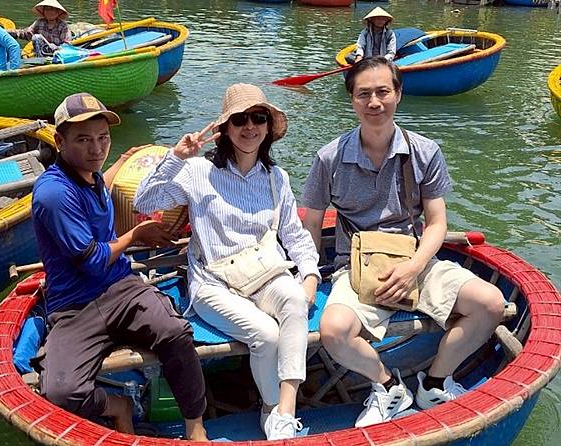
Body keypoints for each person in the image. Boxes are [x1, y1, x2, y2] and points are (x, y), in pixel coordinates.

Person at [301, 57, 505, 427]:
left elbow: (437, 223)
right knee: (333, 331)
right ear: (352, 100)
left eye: (383, 91)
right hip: (355, 267)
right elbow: (312, 224)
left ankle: (435, 382)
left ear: (398, 94)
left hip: (415, 259)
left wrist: (413, 268)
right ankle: (389, 386)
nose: (374, 102)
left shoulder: (425, 151)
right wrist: (310, 277)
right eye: (364, 94)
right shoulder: (329, 157)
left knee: (491, 303)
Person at [133, 83, 321, 440]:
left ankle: (284, 412)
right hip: (213, 281)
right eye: (239, 119)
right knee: (266, 335)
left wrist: (310, 274)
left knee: (296, 300)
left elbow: (295, 236)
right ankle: (270, 408)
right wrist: (176, 157)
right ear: (225, 128)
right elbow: (144, 202)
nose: (250, 126)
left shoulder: (276, 178)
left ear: (268, 126)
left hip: (264, 273)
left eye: (258, 118)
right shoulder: (197, 171)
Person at [31, 92, 208, 441]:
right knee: (60, 394)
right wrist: (135, 235)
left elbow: (104, 181)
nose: (97, 149)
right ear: (59, 142)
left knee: (175, 333)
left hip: (121, 288)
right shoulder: (53, 194)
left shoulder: (91, 174)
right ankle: (117, 406)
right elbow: (93, 262)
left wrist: (124, 161)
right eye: (83, 140)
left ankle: (196, 427)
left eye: (103, 138)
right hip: (74, 306)